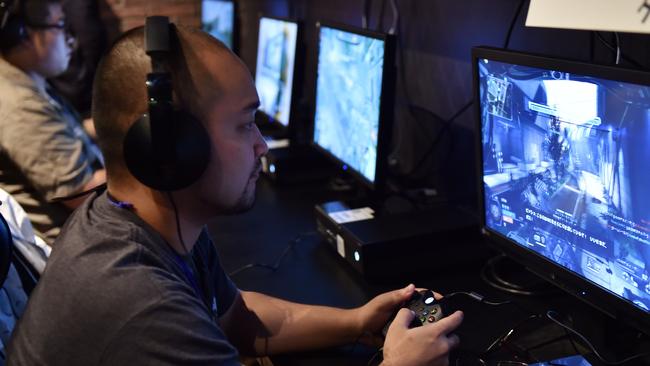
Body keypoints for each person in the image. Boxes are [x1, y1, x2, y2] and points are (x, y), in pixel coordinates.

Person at [7, 20, 464, 365]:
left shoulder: (139, 219)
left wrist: (355, 320)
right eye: (245, 124)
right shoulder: (143, 309)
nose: (261, 145)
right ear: (172, 149)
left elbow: (236, 318)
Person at [0, 0, 105, 245]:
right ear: (22, 34)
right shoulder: (18, 105)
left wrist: (122, 123)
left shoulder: (28, 80)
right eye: (60, 25)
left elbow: (70, 133)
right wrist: (146, 160)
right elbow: (82, 192)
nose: (71, 40)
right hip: (72, 253)